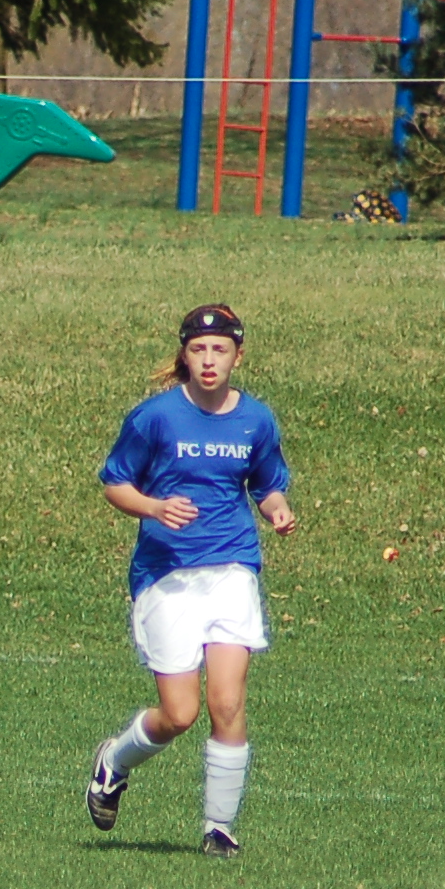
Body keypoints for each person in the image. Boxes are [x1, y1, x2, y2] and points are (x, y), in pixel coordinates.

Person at [82, 303, 297, 857]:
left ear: (237, 356)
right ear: (184, 353)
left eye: (220, 349)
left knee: (228, 702)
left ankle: (219, 829)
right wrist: (154, 508)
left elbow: (266, 483)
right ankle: (114, 761)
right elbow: (114, 484)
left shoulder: (256, 419)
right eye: (198, 349)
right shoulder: (154, 417)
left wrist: (276, 509)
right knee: (180, 714)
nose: (208, 359)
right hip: (167, 575)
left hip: (231, 568)